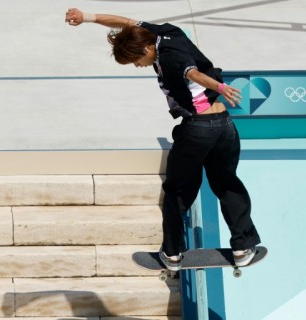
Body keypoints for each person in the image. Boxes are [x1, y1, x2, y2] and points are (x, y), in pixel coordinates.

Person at [65, 8, 261, 271]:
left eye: (136, 59)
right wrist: (88, 17)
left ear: (146, 47)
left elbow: (191, 73)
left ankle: (173, 254)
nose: (137, 65)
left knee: (176, 192)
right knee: (227, 185)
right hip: (224, 126)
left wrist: (221, 87)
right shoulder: (163, 33)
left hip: (198, 129)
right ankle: (242, 247)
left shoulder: (169, 58)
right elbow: (124, 21)